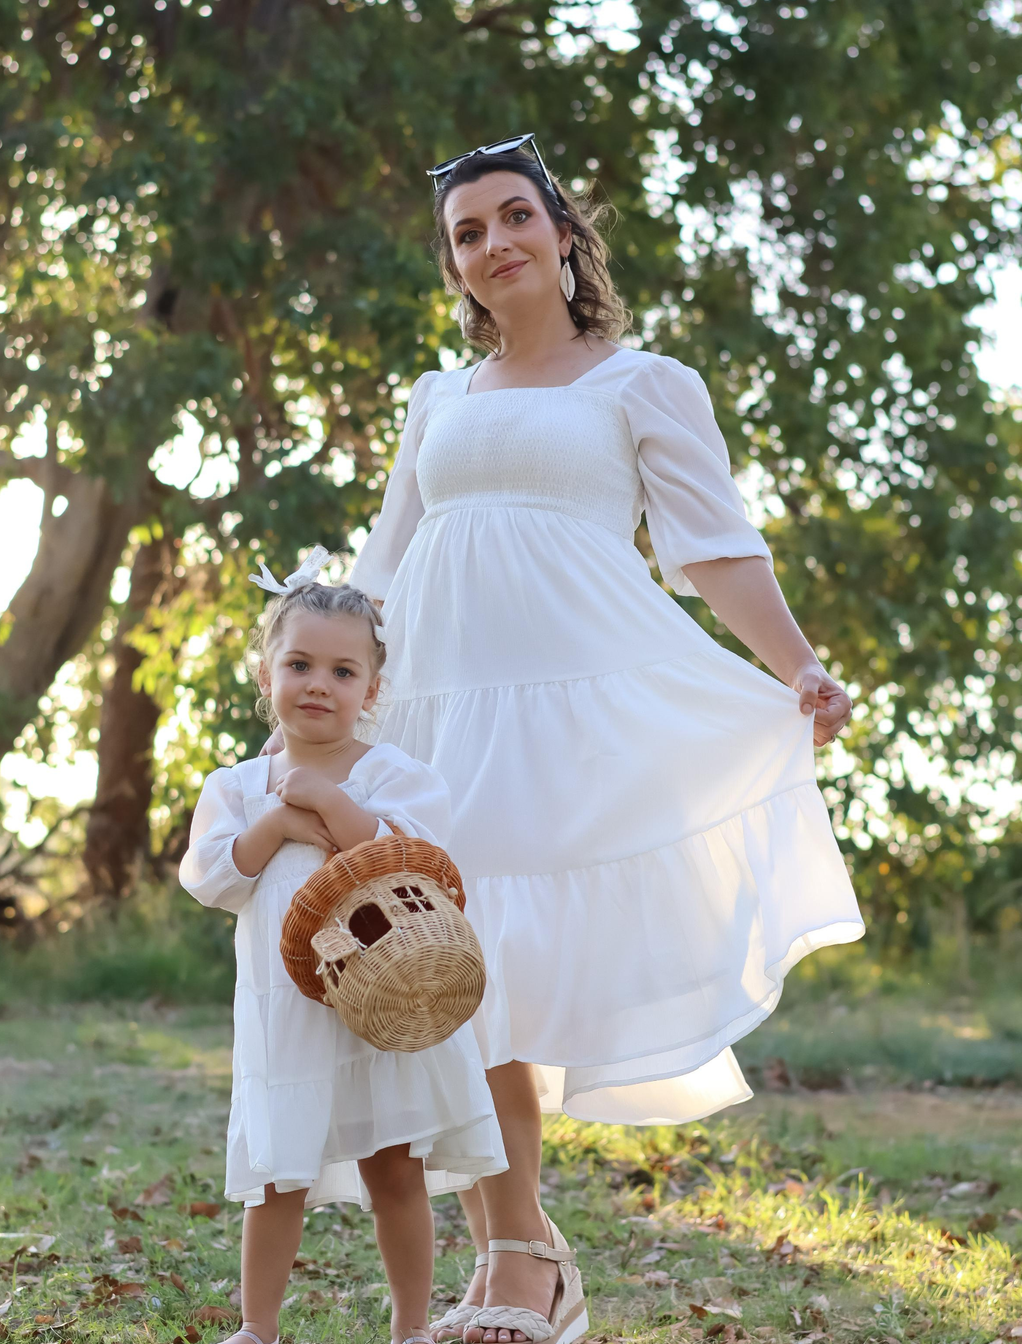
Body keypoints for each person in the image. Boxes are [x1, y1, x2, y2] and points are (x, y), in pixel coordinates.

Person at [347, 135, 865, 1344]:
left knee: (503, 971)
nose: (495, 243)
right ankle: (518, 1252)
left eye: (515, 216)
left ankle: (521, 1261)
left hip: (567, 720)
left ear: (565, 234)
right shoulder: (437, 399)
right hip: (435, 709)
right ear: (455, 267)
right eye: (468, 233)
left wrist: (796, 664)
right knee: (450, 970)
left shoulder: (641, 383)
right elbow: (385, 561)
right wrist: (329, 696)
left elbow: (713, 547)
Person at [179, 546, 507, 1344]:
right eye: (299, 665)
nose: (318, 684)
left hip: (380, 999)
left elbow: (407, 858)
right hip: (290, 1013)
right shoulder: (235, 789)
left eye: (342, 671)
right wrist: (278, 823)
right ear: (266, 676)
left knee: (395, 1167)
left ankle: (411, 1326)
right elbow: (212, 878)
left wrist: (326, 800)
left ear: (371, 691)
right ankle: (258, 1325)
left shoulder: (392, 772)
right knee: (278, 1177)